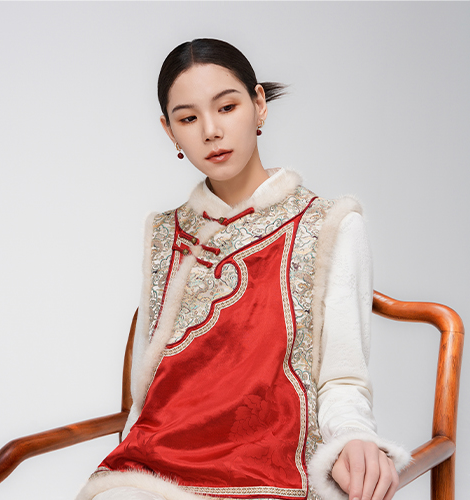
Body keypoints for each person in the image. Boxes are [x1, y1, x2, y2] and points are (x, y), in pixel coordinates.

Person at [75, 39, 410, 500]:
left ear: (258, 105)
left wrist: (355, 438)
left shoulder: (330, 225)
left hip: (272, 468)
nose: (211, 131)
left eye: (227, 107)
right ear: (169, 131)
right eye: (188, 119)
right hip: (154, 469)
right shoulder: (164, 233)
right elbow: (149, 391)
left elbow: (343, 378)